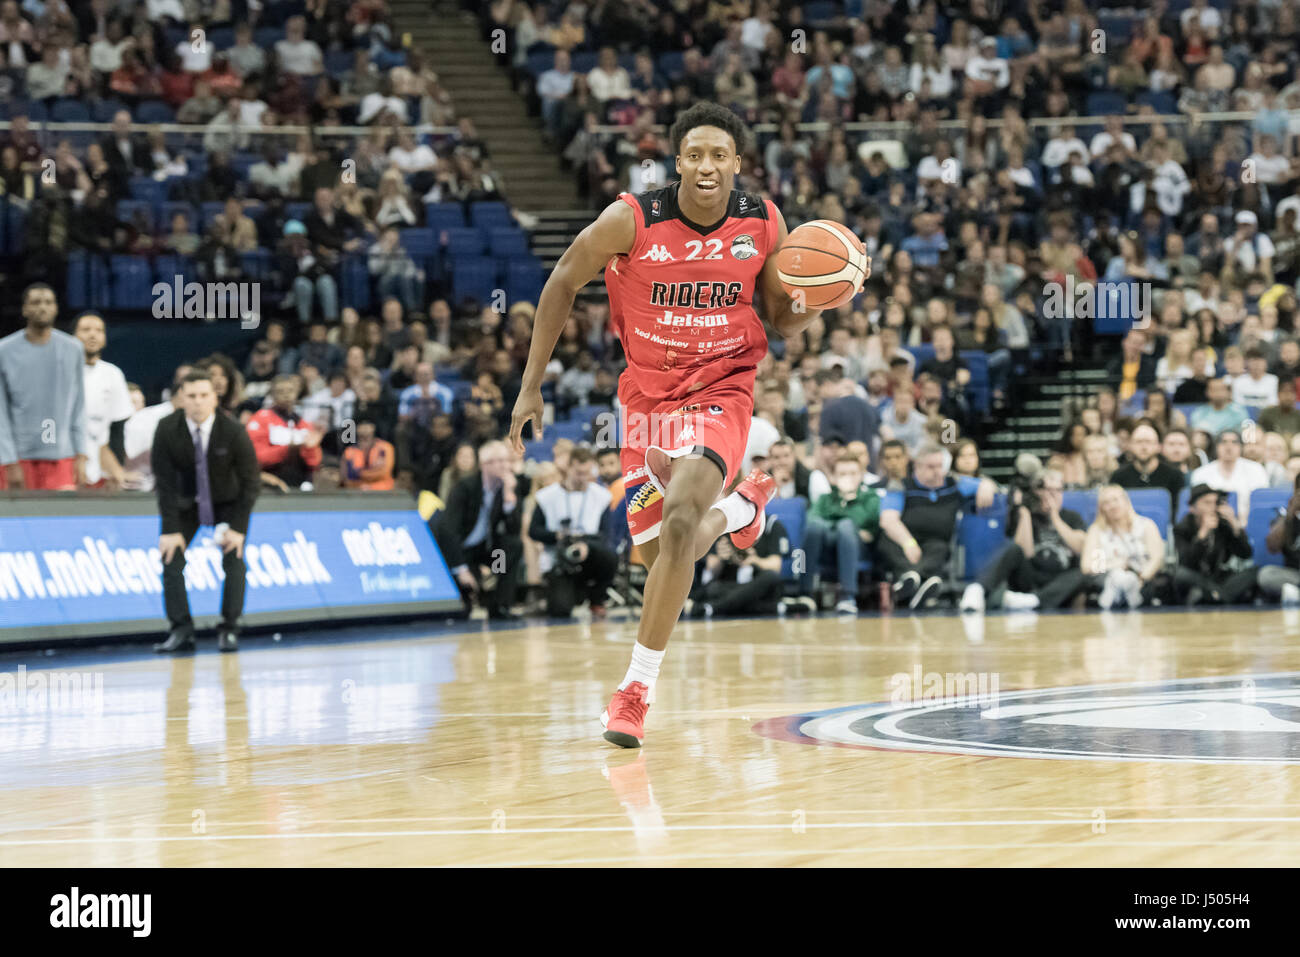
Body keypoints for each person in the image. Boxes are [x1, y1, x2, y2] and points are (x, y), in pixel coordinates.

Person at [507, 102, 866, 749]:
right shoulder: (632, 219)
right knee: (659, 554)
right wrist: (530, 384)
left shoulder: (764, 223)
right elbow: (563, 278)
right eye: (694, 154)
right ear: (677, 163)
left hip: (723, 389)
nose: (706, 165)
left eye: (719, 154)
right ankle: (739, 514)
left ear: (737, 163)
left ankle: (635, 690)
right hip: (646, 398)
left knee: (676, 524)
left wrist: (825, 294)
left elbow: (782, 321)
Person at [151, 370, 260, 653]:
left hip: (227, 503)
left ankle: (230, 628)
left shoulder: (233, 430)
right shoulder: (166, 428)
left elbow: (251, 483)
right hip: (186, 504)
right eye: (191, 396)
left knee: (234, 559)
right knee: (170, 557)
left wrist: (238, 529)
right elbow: (164, 484)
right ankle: (181, 629)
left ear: (215, 398)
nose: (198, 402)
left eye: (204, 396)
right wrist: (169, 529)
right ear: (180, 399)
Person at [878, 442, 996, 610]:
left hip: (934, 542)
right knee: (886, 540)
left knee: (940, 548)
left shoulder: (953, 483)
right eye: (931, 467)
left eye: (940, 466)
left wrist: (986, 485)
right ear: (917, 467)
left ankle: (916, 585)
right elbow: (888, 520)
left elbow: (987, 484)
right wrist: (908, 543)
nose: (937, 472)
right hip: (904, 541)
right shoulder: (901, 486)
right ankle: (910, 579)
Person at [960, 467, 1087, 612]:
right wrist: (1024, 513)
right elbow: (1024, 552)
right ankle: (977, 590)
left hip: (1060, 580)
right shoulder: (1027, 514)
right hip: (1030, 577)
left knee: (1083, 571)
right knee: (1012, 549)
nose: (1053, 495)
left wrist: (1055, 518)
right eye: (1047, 490)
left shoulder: (1072, 517)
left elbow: (1080, 547)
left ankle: (1035, 601)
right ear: (1037, 491)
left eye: (1058, 490)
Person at [0, 284, 86, 490]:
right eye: (36, 302)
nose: (43, 308)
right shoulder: (4, 350)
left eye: (48, 302)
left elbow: (79, 405)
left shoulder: (73, 348)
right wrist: (8, 459)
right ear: (24, 309)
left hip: (63, 456)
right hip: (19, 458)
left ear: (56, 308)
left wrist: (81, 454)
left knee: (62, 521)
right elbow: (1, 412)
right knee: (14, 522)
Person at [432, 440, 524, 620]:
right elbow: (448, 530)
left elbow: (514, 529)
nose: (505, 466)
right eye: (499, 461)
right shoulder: (465, 487)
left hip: (488, 551)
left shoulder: (508, 487)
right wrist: (461, 569)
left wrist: (508, 500)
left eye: (506, 460)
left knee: (512, 546)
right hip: (460, 551)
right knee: (462, 611)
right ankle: (469, 589)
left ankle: (500, 605)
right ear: (484, 465)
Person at [529, 446, 617, 618]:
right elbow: (533, 531)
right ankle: (566, 594)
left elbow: (606, 534)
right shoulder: (547, 496)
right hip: (559, 557)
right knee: (560, 610)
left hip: (591, 552)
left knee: (610, 556)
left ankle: (597, 600)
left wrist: (587, 545)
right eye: (578, 473)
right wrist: (556, 536)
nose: (583, 478)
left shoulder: (601, 496)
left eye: (587, 473)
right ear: (569, 468)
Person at [800, 452, 881, 614]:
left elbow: (862, 520)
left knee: (846, 526)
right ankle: (804, 594)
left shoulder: (871, 497)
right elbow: (812, 520)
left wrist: (848, 499)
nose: (848, 478)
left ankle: (848, 596)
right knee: (816, 527)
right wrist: (841, 510)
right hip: (827, 550)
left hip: (859, 551)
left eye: (852, 473)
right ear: (834, 477)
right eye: (842, 474)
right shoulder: (825, 499)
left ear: (861, 475)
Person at [1080, 485, 1168, 610]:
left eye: (1116, 500)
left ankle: (1130, 591)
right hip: (1107, 577)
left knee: (1150, 583)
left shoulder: (1146, 525)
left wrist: (1142, 578)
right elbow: (1087, 566)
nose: (1113, 506)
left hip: (1141, 577)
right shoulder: (1096, 530)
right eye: (1106, 503)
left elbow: (1157, 558)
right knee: (1114, 577)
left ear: (1126, 501)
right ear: (1101, 508)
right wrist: (1114, 565)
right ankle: (1117, 589)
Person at [74, 312, 135, 489]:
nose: (92, 334)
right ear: (72, 337)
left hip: (99, 468)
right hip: (65, 463)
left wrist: (116, 470)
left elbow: (117, 429)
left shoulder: (113, 374)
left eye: (99, 330)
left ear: (105, 338)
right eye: (85, 329)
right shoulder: (61, 372)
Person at [1171, 484, 1256, 605]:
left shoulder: (1224, 526)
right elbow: (1186, 562)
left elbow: (1245, 554)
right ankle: (1219, 596)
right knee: (1181, 575)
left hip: (1219, 577)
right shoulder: (1182, 528)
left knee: (1255, 572)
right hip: (1196, 577)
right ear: (1193, 508)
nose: (1213, 507)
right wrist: (1202, 534)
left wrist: (1235, 526)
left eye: (1215, 503)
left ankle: (1215, 596)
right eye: (1207, 503)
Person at [246, 375, 324, 492]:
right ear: (272, 395)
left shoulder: (304, 424)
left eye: (290, 390)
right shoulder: (260, 419)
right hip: (269, 481)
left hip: (301, 483)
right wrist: (288, 449)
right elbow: (255, 457)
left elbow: (314, 463)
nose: (286, 395)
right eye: (280, 391)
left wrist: (310, 448)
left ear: (297, 392)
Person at [123, 364, 191, 491]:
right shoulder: (146, 419)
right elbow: (130, 458)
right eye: (193, 395)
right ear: (181, 393)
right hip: (139, 492)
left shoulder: (196, 423)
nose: (198, 403)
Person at [1191, 429, 1267, 517]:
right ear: (1216, 447)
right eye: (1223, 442)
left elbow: (1260, 504)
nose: (1229, 447)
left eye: (1234, 442)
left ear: (1241, 447)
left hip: (1246, 522)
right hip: (1210, 522)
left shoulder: (1256, 470)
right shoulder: (1201, 473)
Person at [1110, 421, 1184, 511]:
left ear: (1158, 447)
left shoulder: (1175, 476)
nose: (1144, 447)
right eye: (1139, 442)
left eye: (1148, 442)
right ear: (1130, 446)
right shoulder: (1118, 476)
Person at [1260, 475, 1300, 604]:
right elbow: (1272, 547)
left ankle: (1295, 593)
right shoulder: (1286, 515)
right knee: (1266, 574)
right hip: (1295, 575)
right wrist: (1290, 514)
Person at [340, 415, 395, 490]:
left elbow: (384, 472)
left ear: (374, 427)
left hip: (382, 490)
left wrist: (360, 474)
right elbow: (345, 477)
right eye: (361, 425)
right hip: (356, 492)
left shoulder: (385, 447)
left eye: (368, 424)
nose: (365, 427)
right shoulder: (349, 451)